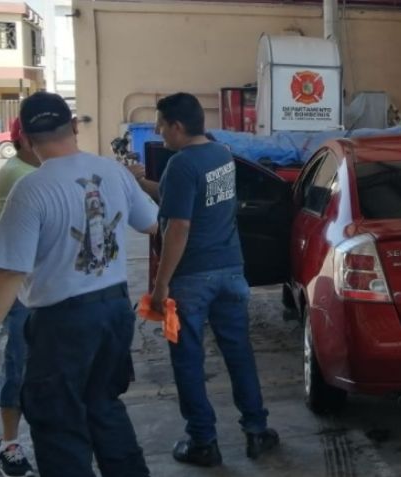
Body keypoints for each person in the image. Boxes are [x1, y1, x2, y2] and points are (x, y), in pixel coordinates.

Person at [0, 92, 156, 477]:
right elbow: (152, 223)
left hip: (62, 324)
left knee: (58, 421)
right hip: (114, 312)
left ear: (25, 139)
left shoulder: (31, 189)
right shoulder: (113, 172)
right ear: (72, 127)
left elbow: (8, 272)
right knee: (105, 406)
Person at [150, 92, 278, 467]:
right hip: (231, 273)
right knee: (239, 353)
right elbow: (184, 198)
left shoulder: (181, 164)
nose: (158, 132)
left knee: (187, 359)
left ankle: (202, 441)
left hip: (190, 280)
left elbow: (179, 226)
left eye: (161, 125)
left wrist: (161, 285)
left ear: (176, 126)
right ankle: (257, 430)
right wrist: (140, 182)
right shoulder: (221, 155)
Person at [0, 117, 39, 477]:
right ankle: (9, 443)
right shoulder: (19, 175)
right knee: (18, 366)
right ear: (24, 140)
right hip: (22, 289)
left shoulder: (36, 170)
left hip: (45, 288)